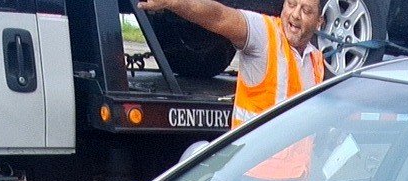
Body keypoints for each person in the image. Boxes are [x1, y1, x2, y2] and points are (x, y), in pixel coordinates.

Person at [137, 0, 327, 127]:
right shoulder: (264, 34)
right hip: (253, 175)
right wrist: (174, 3)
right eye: (291, 4)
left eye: (306, 11)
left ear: (319, 22)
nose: (295, 15)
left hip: (295, 179)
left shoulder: (315, 61)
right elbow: (219, 16)